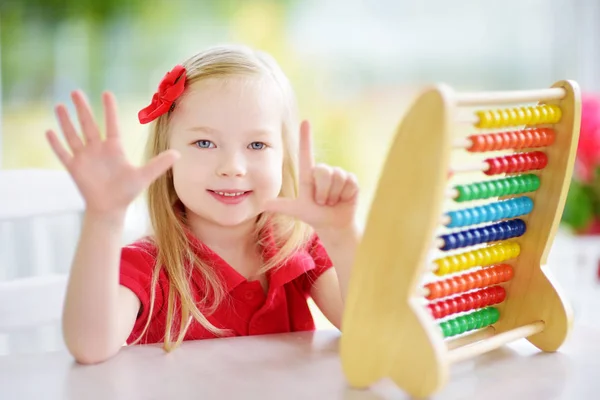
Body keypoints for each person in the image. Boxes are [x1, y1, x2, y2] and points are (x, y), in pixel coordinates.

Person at [45, 44, 361, 365]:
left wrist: (341, 236)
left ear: (283, 157)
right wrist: (104, 218)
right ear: (165, 155)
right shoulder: (149, 266)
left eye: (257, 144)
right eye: (205, 143)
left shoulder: (299, 247)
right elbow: (90, 345)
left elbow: (365, 328)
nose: (232, 166)